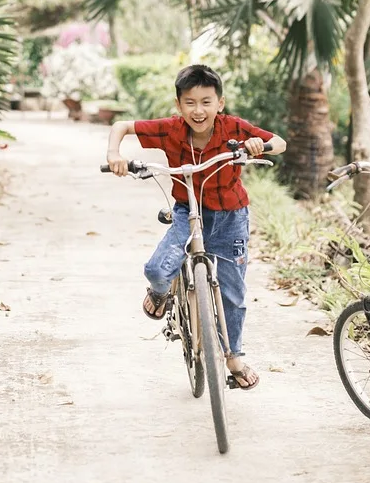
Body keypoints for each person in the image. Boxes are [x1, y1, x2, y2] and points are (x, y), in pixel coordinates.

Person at [106, 64, 286, 389]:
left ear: (220, 103)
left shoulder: (233, 127)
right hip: (187, 211)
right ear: (179, 105)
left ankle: (234, 357)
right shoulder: (169, 129)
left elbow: (280, 142)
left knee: (233, 294)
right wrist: (114, 154)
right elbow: (121, 125)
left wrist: (258, 145)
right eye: (190, 102)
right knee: (158, 271)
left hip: (231, 217)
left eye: (206, 101)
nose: (198, 110)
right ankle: (161, 295)